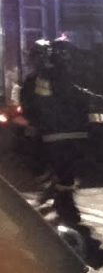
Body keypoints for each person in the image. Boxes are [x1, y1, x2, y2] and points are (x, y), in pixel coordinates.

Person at [21, 37, 103, 226]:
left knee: (64, 174)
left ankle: (62, 202)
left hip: (59, 134)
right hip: (63, 133)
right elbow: (58, 97)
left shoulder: (47, 77)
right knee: (63, 173)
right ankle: (62, 203)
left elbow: (40, 103)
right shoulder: (50, 77)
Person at [17, 39, 56, 203]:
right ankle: (52, 188)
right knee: (39, 160)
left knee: (43, 160)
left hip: (49, 127)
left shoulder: (50, 77)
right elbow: (27, 102)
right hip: (46, 126)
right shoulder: (34, 79)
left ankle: (54, 190)